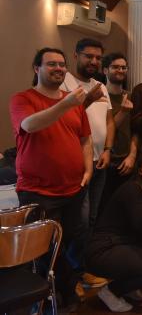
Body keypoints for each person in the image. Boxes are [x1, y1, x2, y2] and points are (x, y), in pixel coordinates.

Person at [9, 47, 93, 308]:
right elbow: (29, 125)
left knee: (70, 242)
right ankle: (50, 298)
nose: (59, 68)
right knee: (45, 250)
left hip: (73, 189)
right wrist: (65, 104)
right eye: (51, 64)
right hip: (38, 191)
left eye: (62, 64)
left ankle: (64, 292)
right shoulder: (22, 99)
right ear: (37, 69)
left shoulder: (73, 102)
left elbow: (85, 138)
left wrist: (88, 169)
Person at [85, 151, 142, 312]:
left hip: (123, 244)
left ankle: (127, 289)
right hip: (104, 249)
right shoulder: (132, 189)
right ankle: (111, 291)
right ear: (140, 170)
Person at [61, 39, 114, 233]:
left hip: (99, 161)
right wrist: (88, 100)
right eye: (89, 56)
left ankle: (88, 250)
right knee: (79, 219)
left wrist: (107, 150)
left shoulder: (100, 85)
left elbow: (109, 121)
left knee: (92, 215)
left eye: (98, 58)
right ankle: (74, 253)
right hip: (77, 162)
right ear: (76, 55)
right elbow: (61, 119)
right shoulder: (64, 82)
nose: (94, 61)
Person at [99, 52, 138, 214]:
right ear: (105, 70)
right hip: (105, 161)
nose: (120, 70)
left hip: (127, 161)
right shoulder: (99, 97)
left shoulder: (131, 95)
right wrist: (122, 112)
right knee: (103, 208)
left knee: (125, 209)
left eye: (123, 67)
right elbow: (103, 130)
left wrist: (132, 156)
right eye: (115, 67)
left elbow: (136, 130)